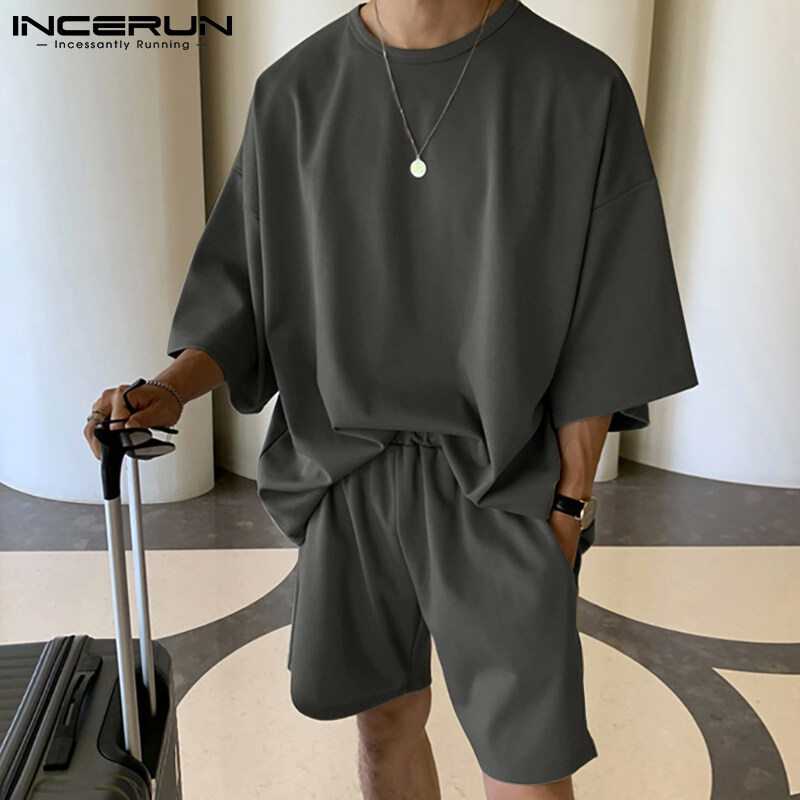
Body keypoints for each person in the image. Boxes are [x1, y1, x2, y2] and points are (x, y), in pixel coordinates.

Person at [85, 0, 698, 797]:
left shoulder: (579, 86)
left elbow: (609, 314)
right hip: (349, 475)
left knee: (528, 764)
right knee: (383, 729)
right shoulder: (294, 92)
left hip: (504, 479)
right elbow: (246, 289)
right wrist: (169, 388)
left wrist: (569, 505)